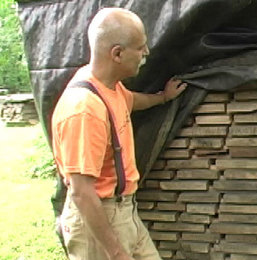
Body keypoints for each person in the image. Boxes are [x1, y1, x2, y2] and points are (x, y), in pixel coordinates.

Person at [52, 7, 187, 260]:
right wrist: (115, 252)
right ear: (117, 53)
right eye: (140, 47)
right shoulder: (84, 110)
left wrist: (162, 98)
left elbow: (131, 100)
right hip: (98, 220)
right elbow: (82, 192)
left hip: (124, 212)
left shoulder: (109, 87)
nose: (146, 53)